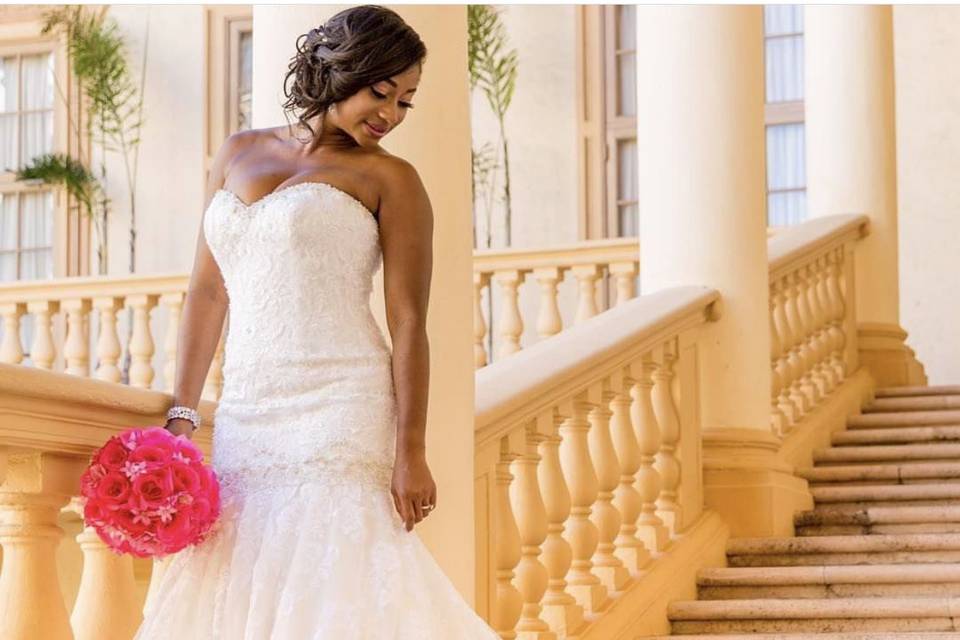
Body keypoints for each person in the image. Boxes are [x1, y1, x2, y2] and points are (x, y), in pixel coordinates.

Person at [134, 6, 500, 638]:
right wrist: (183, 411)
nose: (389, 114)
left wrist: (410, 450)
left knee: (331, 585)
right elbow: (207, 291)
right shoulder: (239, 152)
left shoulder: (392, 179)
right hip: (249, 411)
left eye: (406, 102)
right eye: (379, 92)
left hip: (341, 406)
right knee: (235, 577)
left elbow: (409, 321)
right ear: (337, 71)